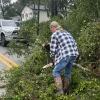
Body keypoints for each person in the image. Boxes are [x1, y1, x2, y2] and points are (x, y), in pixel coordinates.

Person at [49, 21, 79, 95]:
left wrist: (52, 58)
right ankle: (66, 90)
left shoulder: (55, 34)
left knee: (56, 71)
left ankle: (60, 91)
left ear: (53, 27)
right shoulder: (67, 33)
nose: (51, 30)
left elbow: (53, 49)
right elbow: (74, 43)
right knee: (67, 72)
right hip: (74, 54)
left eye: (50, 29)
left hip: (66, 55)